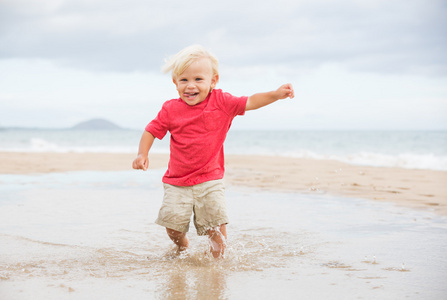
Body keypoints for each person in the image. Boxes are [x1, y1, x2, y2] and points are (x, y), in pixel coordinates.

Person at [132, 45, 294, 258]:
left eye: (198, 79)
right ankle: (182, 246)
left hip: (210, 179)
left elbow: (251, 101)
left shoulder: (222, 102)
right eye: (184, 80)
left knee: (215, 227)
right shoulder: (170, 109)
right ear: (175, 83)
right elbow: (151, 131)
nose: (190, 86)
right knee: (172, 226)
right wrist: (142, 154)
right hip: (176, 181)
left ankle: (217, 265)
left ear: (213, 81)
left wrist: (275, 94)